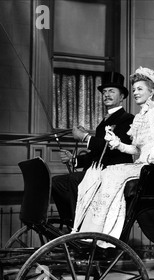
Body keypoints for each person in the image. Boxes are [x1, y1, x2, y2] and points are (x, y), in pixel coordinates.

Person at [72, 66, 154, 246]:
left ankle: (108, 235)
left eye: (140, 89)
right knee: (107, 173)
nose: (136, 93)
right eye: (135, 89)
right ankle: (96, 231)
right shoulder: (139, 118)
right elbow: (136, 150)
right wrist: (118, 144)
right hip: (140, 165)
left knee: (112, 174)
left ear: (151, 91)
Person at [51, 72, 134, 224]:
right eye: (104, 92)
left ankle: (80, 222)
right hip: (97, 171)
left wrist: (85, 137)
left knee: (71, 181)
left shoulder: (128, 119)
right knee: (57, 182)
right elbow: (97, 154)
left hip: (113, 174)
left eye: (111, 91)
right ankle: (70, 222)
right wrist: (74, 160)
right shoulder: (102, 123)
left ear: (121, 97)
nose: (106, 95)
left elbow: (111, 149)